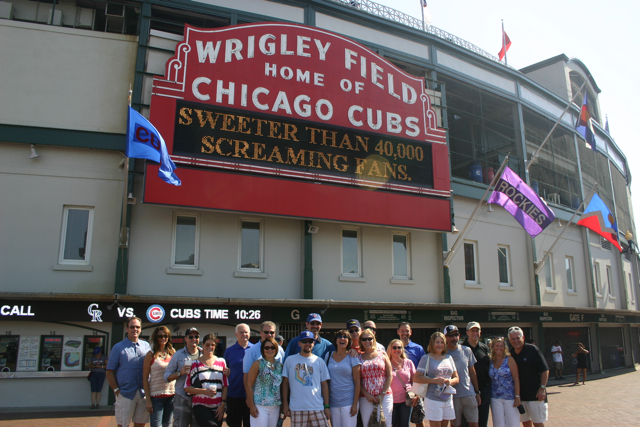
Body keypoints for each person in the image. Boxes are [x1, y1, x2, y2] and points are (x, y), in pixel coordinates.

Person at [106, 316, 152, 427]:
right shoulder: (118, 347)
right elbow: (109, 371)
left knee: (140, 425)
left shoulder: (147, 346)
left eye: (137, 327)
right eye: (132, 327)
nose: (135, 329)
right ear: (127, 329)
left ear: (141, 329)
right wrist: (117, 391)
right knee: (122, 425)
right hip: (125, 393)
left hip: (143, 393)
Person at [282, 331, 331, 427]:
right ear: (299, 343)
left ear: (314, 343)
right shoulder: (290, 360)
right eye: (304, 341)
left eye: (310, 341)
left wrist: (326, 406)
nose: (307, 344)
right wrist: (285, 404)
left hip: (317, 407)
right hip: (297, 408)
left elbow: (324, 385)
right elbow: (285, 384)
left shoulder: (319, 361)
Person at [413, 332, 459, 427]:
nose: (440, 345)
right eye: (437, 342)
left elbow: (456, 378)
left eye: (442, 342)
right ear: (432, 344)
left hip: (448, 399)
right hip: (433, 399)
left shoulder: (449, 358)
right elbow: (416, 378)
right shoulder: (426, 358)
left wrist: (449, 381)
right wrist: (434, 380)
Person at [507, 326, 549, 427]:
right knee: (525, 423)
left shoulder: (533, 350)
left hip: (535, 396)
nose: (516, 341)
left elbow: (545, 370)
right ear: (509, 340)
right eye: (513, 339)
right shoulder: (510, 353)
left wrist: (542, 388)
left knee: (538, 423)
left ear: (523, 338)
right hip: (520, 397)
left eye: (518, 338)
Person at [184, 333, 229, 427]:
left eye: (212, 345)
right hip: (200, 405)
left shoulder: (221, 362)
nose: (210, 347)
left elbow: (225, 385)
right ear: (203, 345)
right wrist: (204, 391)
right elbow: (187, 388)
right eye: (207, 344)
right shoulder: (195, 364)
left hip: (217, 407)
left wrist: (222, 405)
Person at [164, 327, 203, 427]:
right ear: (185, 339)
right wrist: (180, 373)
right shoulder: (178, 355)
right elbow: (166, 376)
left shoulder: (204, 354)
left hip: (199, 397)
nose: (194, 339)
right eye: (191, 337)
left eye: (196, 336)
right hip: (182, 397)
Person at [443, 325, 480, 427]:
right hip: (452, 396)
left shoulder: (467, 350)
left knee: (474, 423)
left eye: (456, 335)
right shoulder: (442, 353)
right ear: (445, 337)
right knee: (455, 425)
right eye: (451, 335)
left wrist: (477, 392)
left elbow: (472, 372)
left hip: (469, 393)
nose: (454, 338)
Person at [325, 330, 361, 427]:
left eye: (345, 337)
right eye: (339, 337)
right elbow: (325, 382)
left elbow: (357, 382)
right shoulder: (328, 356)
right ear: (335, 341)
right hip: (333, 403)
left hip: (348, 403)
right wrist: (326, 405)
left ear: (349, 341)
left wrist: (355, 404)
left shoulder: (352, 356)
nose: (342, 339)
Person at [358, 328, 393, 427]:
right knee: (368, 424)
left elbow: (390, 375)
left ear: (374, 339)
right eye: (364, 339)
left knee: (386, 423)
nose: (367, 341)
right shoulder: (358, 357)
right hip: (366, 398)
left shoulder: (382, 354)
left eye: (370, 338)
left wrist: (382, 394)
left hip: (385, 396)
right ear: (361, 341)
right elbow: (357, 380)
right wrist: (367, 395)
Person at [246, 337, 284, 427]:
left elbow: (282, 386)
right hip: (260, 406)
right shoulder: (257, 364)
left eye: (272, 347)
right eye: (267, 348)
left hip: (276, 406)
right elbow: (249, 384)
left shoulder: (280, 366)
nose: (270, 350)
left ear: (276, 349)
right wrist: (251, 405)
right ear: (263, 350)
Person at [143, 326, 176, 427]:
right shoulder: (151, 355)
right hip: (156, 397)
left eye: (165, 336)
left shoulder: (173, 353)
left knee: (168, 424)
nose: (163, 338)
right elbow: (145, 378)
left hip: (171, 395)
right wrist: (148, 399)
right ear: (155, 338)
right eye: (160, 336)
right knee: (156, 425)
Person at [461, 322, 491, 427]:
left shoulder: (484, 348)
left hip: (484, 389)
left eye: (477, 330)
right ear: (467, 332)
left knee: (482, 421)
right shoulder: (461, 349)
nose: (475, 333)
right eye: (472, 330)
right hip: (467, 390)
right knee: (467, 422)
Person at [244, 321, 285, 397]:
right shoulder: (251, 351)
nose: (269, 335)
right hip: (258, 398)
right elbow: (246, 375)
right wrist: (249, 398)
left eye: (271, 332)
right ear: (261, 333)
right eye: (266, 332)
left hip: (276, 398)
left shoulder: (280, 350)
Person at [224, 324, 253, 427]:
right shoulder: (229, 351)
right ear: (236, 334)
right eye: (241, 332)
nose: (244, 334)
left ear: (249, 334)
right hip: (234, 395)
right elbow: (224, 371)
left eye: (246, 332)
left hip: (251, 395)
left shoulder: (255, 350)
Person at [488, 337, 520, 427]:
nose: (499, 348)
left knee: (512, 424)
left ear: (504, 347)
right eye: (497, 346)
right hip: (495, 398)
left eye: (501, 346)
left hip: (510, 397)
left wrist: (517, 396)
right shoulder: (491, 361)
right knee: (498, 424)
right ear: (493, 347)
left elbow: (516, 379)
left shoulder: (509, 360)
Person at [388, 339, 418, 427]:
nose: (397, 349)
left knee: (404, 425)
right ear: (390, 348)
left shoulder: (409, 363)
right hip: (391, 400)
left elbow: (415, 381)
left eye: (399, 347)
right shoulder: (386, 363)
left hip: (406, 400)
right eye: (394, 347)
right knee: (391, 424)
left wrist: (417, 395)